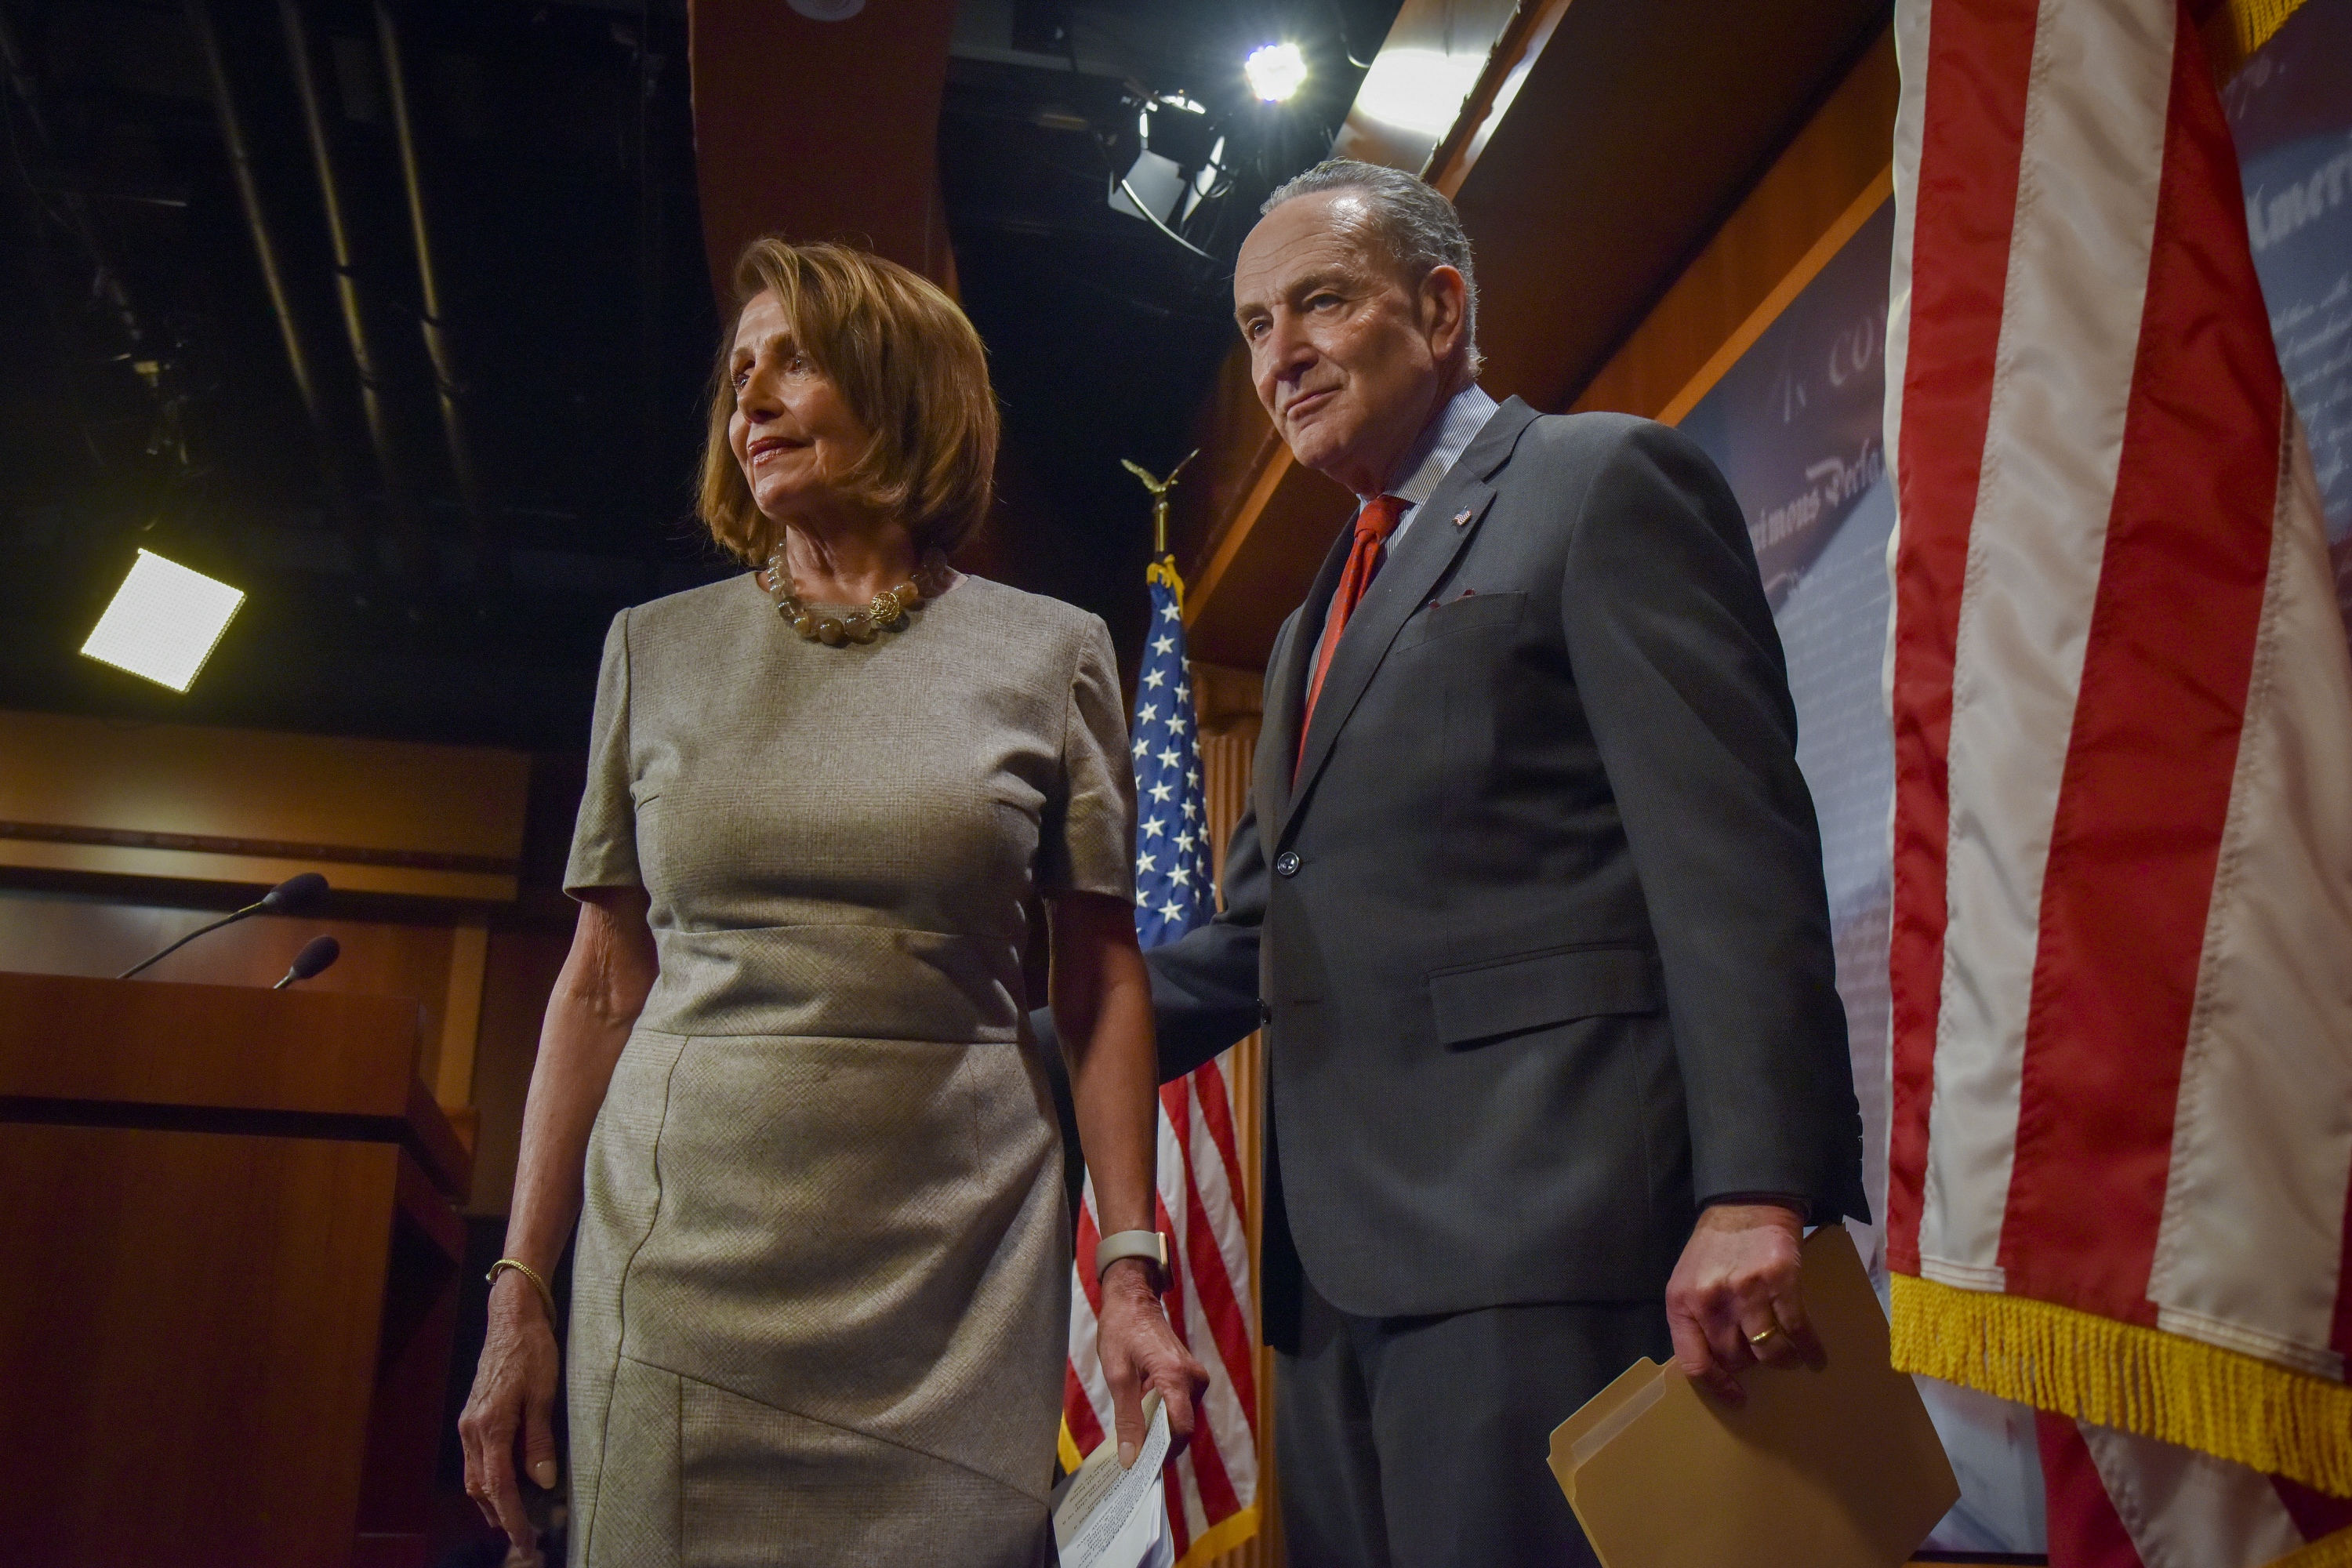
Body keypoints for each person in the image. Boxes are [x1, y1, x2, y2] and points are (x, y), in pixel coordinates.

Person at [1040, 160, 1867, 1566]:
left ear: (1439, 307)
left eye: (1318, 303)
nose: (1279, 355)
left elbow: (1735, 852)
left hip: (1551, 1241)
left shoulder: (1600, 483)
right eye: (1252, 326)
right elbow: (1258, 938)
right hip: (1337, 1290)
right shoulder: (1312, 624)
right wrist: (1016, 1014)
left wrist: (1756, 1186)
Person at [459, 238, 1204, 1566]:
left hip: (956, 1264)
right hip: (681, 1256)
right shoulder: (653, 648)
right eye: (740, 370)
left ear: (906, 389)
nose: (748, 398)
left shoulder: (1054, 652)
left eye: (794, 360)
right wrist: (520, 1286)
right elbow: (599, 981)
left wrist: (1131, 1266)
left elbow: (1096, 982)